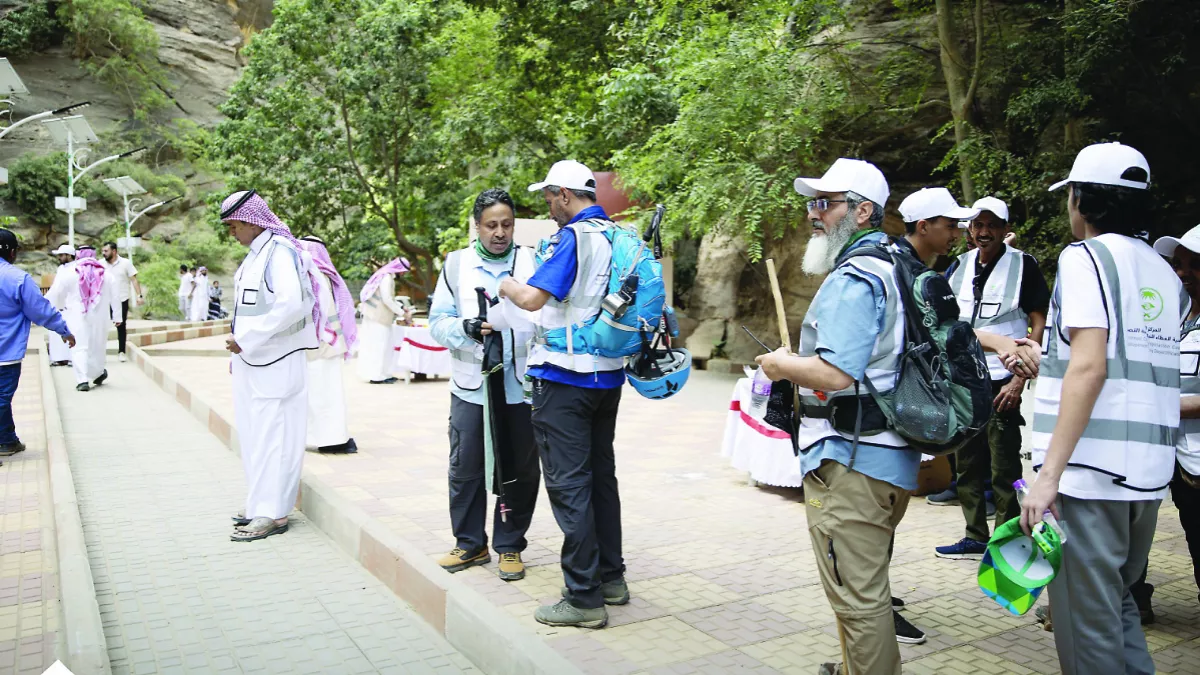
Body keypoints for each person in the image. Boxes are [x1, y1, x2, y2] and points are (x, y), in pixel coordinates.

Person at [1015, 142, 1180, 675]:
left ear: (1083, 200)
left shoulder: (1085, 258)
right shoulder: (1163, 271)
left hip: (1090, 477)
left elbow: (1090, 368)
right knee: (1118, 605)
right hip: (1147, 478)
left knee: (1085, 630)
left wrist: (1047, 477)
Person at [756, 158, 923, 674]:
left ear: (863, 210)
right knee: (862, 590)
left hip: (854, 464)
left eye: (826, 203)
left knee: (859, 601)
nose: (814, 214)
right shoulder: (899, 266)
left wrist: (781, 364)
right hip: (889, 457)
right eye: (812, 203)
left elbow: (834, 374)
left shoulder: (856, 275)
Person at [497, 160, 627, 629]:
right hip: (607, 376)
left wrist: (507, 284)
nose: (548, 208)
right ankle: (611, 578)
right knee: (601, 479)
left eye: (549, 198)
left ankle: (584, 597)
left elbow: (533, 299)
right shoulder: (617, 236)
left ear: (564, 194)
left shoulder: (574, 237)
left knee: (569, 485)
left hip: (563, 377)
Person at [430, 188, 541, 582]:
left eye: (507, 225)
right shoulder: (456, 265)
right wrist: (465, 328)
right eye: (491, 225)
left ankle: (510, 546)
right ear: (476, 226)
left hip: (519, 387)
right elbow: (437, 320)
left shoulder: (532, 261)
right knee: (465, 467)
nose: (500, 232)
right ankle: (470, 543)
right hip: (470, 387)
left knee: (520, 469)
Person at [934, 197, 1050, 559]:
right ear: (970, 229)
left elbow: (1039, 322)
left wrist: (1020, 379)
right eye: (977, 225)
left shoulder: (1023, 265)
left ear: (1003, 229)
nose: (984, 232)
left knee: (1004, 465)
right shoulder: (958, 266)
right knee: (966, 462)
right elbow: (948, 321)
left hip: (1005, 378)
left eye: (992, 226)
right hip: (965, 378)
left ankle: (1005, 539)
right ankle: (974, 535)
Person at [222, 190, 320, 542]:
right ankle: (260, 504)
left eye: (233, 225)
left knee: (274, 436)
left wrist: (248, 337)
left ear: (250, 220)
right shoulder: (257, 255)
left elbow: (291, 305)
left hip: (276, 361)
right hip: (256, 360)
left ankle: (272, 513)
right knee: (255, 435)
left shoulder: (280, 253)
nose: (231, 232)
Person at [0, 229, 75, 459]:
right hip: (6, 354)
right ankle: (5, 441)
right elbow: (40, 311)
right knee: (2, 399)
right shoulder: (17, 279)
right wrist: (64, 331)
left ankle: (8, 440)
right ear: (12, 252)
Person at [298, 236, 359, 454]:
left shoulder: (312, 274)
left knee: (319, 393)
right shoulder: (317, 275)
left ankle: (325, 437)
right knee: (327, 394)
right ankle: (332, 440)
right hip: (324, 343)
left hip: (317, 344)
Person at [46, 246, 121, 392]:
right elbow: (116, 297)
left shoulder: (70, 272)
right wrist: (117, 316)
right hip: (101, 318)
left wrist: (57, 308)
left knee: (79, 346)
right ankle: (98, 373)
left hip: (77, 316)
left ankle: (82, 380)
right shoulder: (107, 274)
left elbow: (56, 293)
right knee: (97, 346)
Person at [357, 258, 411, 384]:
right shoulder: (386, 278)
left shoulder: (388, 277)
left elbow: (389, 298)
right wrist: (402, 313)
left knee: (385, 346)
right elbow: (386, 300)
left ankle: (384, 374)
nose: (403, 274)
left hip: (380, 317)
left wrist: (402, 307)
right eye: (403, 271)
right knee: (378, 346)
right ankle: (376, 376)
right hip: (376, 317)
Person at [100, 242, 142, 362]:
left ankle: (121, 351)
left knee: (121, 326)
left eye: (106, 251)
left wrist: (139, 295)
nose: (104, 253)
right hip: (105, 300)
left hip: (121, 298)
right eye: (103, 251)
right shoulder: (100, 264)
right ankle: (100, 352)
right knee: (102, 326)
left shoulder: (125, 263)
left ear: (114, 251)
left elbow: (134, 280)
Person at [47, 244, 76, 367]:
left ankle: (71, 358)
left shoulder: (75, 268)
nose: (59, 257)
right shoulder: (61, 269)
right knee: (56, 333)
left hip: (71, 307)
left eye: (61, 255)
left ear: (69, 256)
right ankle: (59, 358)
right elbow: (55, 289)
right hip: (58, 306)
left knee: (71, 332)